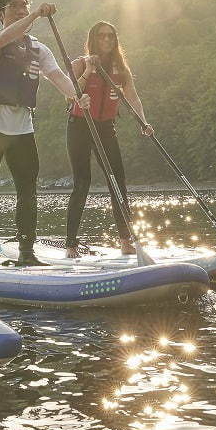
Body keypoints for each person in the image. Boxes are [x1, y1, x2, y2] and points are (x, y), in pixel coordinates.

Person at [0, 0, 89, 267]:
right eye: (15, 7)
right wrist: (34, 14)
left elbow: (57, 76)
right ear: (1, 13)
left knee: (27, 189)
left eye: (26, 6)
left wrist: (76, 96)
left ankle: (26, 252)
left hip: (22, 128)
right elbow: (4, 37)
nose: (22, 10)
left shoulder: (38, 49)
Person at [63, 22, 154, 259]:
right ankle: (71, 245)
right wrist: (89, 71)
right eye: (102, 36)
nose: (106, 40)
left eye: (111, 36)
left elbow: (133, 98)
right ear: (93, 39)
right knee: (82, 182)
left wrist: (143, 122)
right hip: (80, 127)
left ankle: (126, 241)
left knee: (118, 183)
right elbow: (69, 94)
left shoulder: (120, 69)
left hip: (105, 128)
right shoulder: (79, 63)